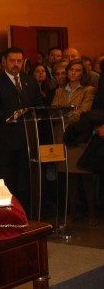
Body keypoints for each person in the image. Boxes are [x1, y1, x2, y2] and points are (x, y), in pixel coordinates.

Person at [0, 47, 43, 215]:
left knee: (25, 180)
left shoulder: (30, 81)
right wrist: (12, 114)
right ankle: (8, 214)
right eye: (12, 61)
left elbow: (38, 105)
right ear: (4, 62)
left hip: (27, 139)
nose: (16, 64)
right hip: (6, 141)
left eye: (19, 61)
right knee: (7, 180)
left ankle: (25, 214)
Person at [51, 60, 96, 226]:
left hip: (79, 136)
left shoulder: (88, 90)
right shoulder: (60, 90)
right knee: (69, 177)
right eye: (70, 70)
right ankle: (73, 212)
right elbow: (54, 111)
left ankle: (91, 213)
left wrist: (67, 112)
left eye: (77, 70)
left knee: (85, 176)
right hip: (62, 135)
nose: (73, 73)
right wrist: (71, 110)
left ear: (83, 73)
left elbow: (83, 113)